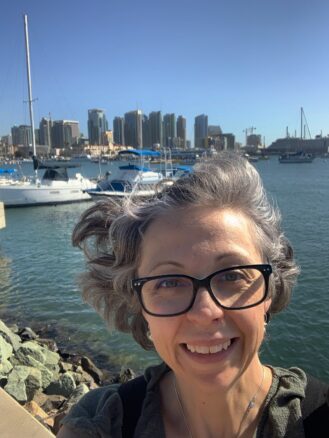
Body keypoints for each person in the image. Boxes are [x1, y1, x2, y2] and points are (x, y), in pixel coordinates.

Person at [58, 152, 329, 438]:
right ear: (140, 305)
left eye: (232, 275)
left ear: (269, 291)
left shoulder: (318, 417)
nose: (204, 312)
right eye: (169, 282)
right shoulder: (104, 421)